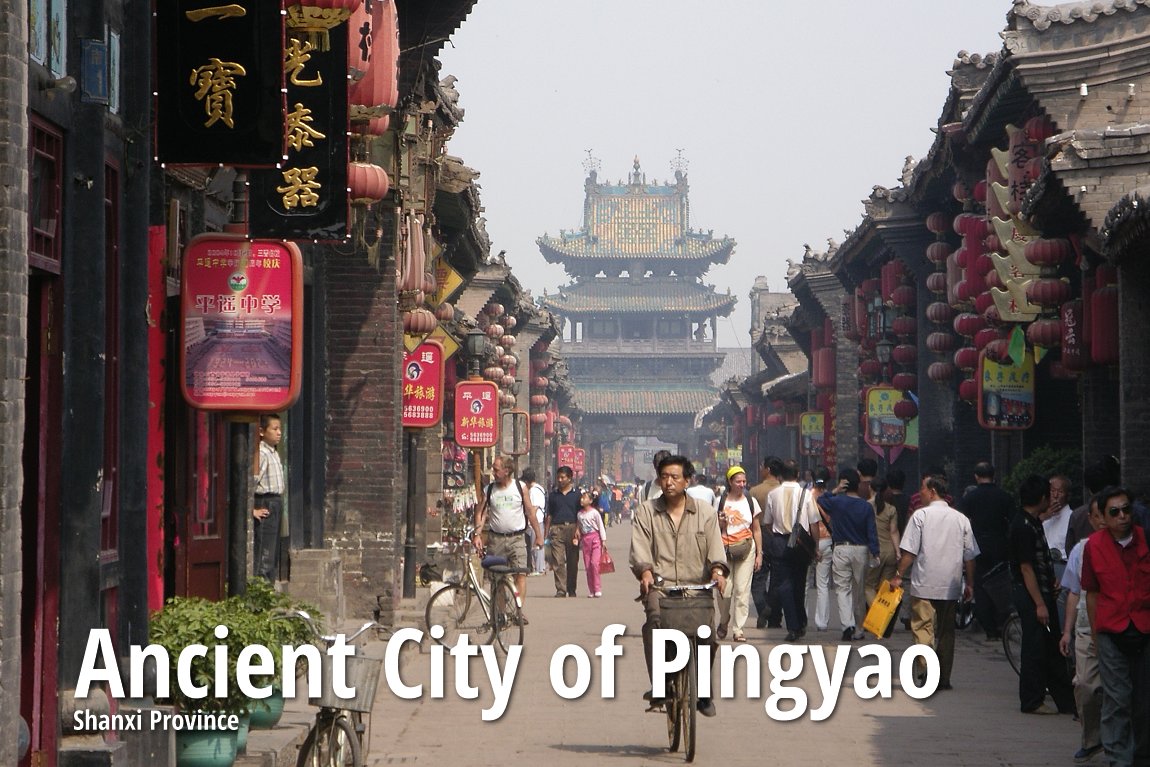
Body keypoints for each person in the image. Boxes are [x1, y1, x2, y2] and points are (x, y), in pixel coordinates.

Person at [630, 454, 728, 717]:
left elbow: (715, 548)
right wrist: (646, 572)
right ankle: (660, 684)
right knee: (654, 626)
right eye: (664, 477)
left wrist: (718, 571)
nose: (669, 482)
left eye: (675, 477)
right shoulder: (646, 512)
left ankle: (703, 692)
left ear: (687, 480)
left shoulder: (705, 513)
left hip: (697, 586)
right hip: (661, 587)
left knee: (705, 637)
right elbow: (640, 547)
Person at [1081, 486, 1150, 766]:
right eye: (1114, 512)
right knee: (1117, 697)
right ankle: (1118, 756)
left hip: (1144, 626)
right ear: (1103, 517)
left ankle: (1142, 753)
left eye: (1126, 510)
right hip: (1112, 627)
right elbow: (1092, 592)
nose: (1122, 516)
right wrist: (1096, 635)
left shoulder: (1146, 540)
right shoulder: (1094, 546)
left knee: (1144, 699)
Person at [891, 473, 978, 690]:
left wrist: (899, 575)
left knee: (922, 629)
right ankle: (944, 678)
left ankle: (926, 668)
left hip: (924, 584)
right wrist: (970, 584)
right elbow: (970, 556)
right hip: (950, 586)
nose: (919, 492)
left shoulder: (920, 516)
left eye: (922, 488)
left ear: (932, 492)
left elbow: (909, 552)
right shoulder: (961, 519)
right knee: (947, 632)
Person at [1009, 474, 1075, 715]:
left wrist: (1050, 579)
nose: (1052, 498)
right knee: (1035, 648)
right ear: (1041, 498)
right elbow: (1026, 568)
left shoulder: (1033, 521)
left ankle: (1066, 701)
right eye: (1049, 494)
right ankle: (1032, 700)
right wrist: (1039, 603)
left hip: (1042, 591)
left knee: (1049, 646)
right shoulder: (1023, 526)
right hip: (1032, 596)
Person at [1059, 492, 1106, 764]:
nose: (1105, 521)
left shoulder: (1136, 548)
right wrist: (1067, 630)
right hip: (1088, 627)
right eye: (1099, 515)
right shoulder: (1082, 549)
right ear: (1091, 518)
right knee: (1085, 685)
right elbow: (1074, 593)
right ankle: (1091, 738)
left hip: (1122, 626)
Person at [472, 455, 544, 619]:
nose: (493, 473)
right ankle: (502, 613)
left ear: (507, 471)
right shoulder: (489, 490)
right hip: (496, 540)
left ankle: (518, 611)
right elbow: (481, 513)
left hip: (517, 539)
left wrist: (539, 536)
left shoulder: (520, 488)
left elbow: (530, 512)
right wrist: (477, 534)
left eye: (496, 470)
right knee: (497, 578)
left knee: (520, 574)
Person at [818, 468, 879, 642]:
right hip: (861, 549)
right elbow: (871, 531)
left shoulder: (836, 502)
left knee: (842, 589)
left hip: (841, 548)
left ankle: (847, 625)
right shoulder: (866, 506)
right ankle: (859, 629)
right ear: (858, 485)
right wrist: (875, 552)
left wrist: (835, 490)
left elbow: (821, 499)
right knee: (858, 591)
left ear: (843, 484)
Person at [764, 459, 821, 642]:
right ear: (797, 475)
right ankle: (801, 621)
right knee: (799, 583)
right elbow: (814, 523)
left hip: (780, 543)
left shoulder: (773, 494)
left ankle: (793, 626)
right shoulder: (806, 494)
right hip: (800, 544)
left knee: (784, 586)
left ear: (780, 475)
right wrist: (816, 546)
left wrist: (776, 535)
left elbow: (768, 522)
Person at [957, 461, 1016, 640]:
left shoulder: (970, 498)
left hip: (977, 547)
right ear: (994, 475)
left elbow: (962, 523)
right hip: (1000, 546)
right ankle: (1001, 622)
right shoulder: (1005, 496)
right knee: (1001, 585)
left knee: (980, 587)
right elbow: (1012, 522)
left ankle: (989, 629)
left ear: (976, 476)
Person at [715, 466, 763, 643]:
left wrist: (759, 553)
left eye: (744, 481)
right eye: (738, 481)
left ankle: (738, 629)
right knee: (724, 591)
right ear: (730, 482)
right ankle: (724, 620)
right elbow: (714, 530)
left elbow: (756, 530)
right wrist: (720, 522)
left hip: (746, 549)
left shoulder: (750, 501)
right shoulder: (720, 502)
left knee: (742, 591)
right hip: (724, 551)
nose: (742, 484)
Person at [750, 455, 785, 628]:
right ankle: (775, 618)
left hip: (761, 537)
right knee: (777, 580)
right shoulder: (785, 490)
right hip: (780, 539)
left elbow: (750, 520)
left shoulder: (755, 491)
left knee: (758, 579)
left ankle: (764, 607)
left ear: (768, 469)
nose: (760, 469)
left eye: (762, 466)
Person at [252, 413, 285, 581]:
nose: (279, 432)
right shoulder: (262, 454)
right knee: (265, 551)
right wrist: (252, 510)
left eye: (280, 429)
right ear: (262, 431)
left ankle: (269, 588)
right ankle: (261, 590)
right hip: (266, 502)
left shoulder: (273, 452)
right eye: (275, 429)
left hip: (276, 502)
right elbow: (251, 482)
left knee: (273, 551)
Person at [544, 466, 581, 597]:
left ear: (570, 478)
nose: (560, 480)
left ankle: (571, 588)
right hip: (556, 529)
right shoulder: (553, 495)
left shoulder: (577, 494)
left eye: (563, 477)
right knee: (557, 561)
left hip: (572, 529)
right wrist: (546, 534)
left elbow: (580, 514)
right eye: (558, 477)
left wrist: (578, 529)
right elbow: (549, 515)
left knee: (572, 561)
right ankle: (561, 589)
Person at [864, 477, 900, 608]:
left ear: (870, 488)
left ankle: (877, 617)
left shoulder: (865, 506)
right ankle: (883, 618)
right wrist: (898, 551)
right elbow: (894, 532)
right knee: (884, 588)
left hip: (873, 553)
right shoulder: (891, 509)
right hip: (890, 552)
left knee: (868, 586)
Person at [810, 466, 836, 631]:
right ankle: (822, 622)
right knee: (823, 584)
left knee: (804, 584)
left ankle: (802, 618)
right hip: (827, 540)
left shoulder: (806, 497)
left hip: (808, 542)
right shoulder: (832, 497)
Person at [575, 488, 608, 597]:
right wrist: (577, 535)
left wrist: (603, 540)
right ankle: (591, 590)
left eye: (584, 498)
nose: (582, 500)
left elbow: (601, 526)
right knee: (588, 566)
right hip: (585, 540)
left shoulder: (594, 513)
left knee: (594, 563)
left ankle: (597, 588)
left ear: (590, 501)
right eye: (582, 498)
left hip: (595, 539)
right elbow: (579, 526)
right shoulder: (580, 514)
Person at [522, 467, 548, 575]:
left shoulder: (535, 490)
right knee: (533, 546)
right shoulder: (536, 489)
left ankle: (540, 568)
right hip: (533, 521)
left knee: (537, 545)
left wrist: (530, 519)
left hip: (536, 520)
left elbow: (534, 508)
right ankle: (536, 567)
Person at [1045, 474, 1074, 559]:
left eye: (1060, 492)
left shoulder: (1072, 517)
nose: (1055, 495)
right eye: (1052, 491)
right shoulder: (1041, 516)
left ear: (1067, 495)